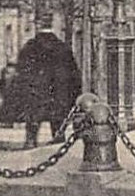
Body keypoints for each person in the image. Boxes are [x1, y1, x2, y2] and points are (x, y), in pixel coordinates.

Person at [11, 17, 82, 148]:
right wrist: (75, 93)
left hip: (35, 94)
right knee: (58, 121)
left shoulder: (30, 47)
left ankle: (31, 141)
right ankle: (58, 139)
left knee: (32, 119)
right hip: (58, 94)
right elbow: (73, 74)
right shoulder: (63, 48)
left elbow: (21, 71)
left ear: (38, 26)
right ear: (52, 26)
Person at [0, 63, 20, 127]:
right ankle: (5, 122)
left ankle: (9, 122)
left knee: (10, 109)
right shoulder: (3, 79)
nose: (8, 76)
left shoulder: (15, 79)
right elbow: (1, 86)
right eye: (7, 73)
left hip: (12, 96)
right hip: (7, 96)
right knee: (5, 108)